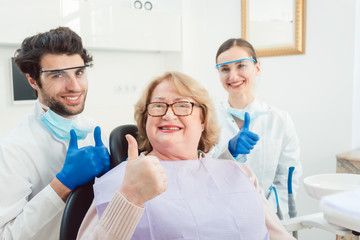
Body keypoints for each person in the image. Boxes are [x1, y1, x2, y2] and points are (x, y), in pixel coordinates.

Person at [77, 71, 295, 240]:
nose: (169, 114)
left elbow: (279, 235)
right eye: (158, 105)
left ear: (203, 120)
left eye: (183, 105)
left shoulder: (239, 173)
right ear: (145, 120)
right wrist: (129, 197)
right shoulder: (123, 181)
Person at [0, 27, 110, 239]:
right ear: (33, 80)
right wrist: (62, 185)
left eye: (79, 72)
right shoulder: (11, 149)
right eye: (58, 75)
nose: (75, 86)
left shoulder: (94, 130)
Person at [208, 38, 302, 217]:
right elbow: (201, 171)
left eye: (241, 66)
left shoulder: (279, 120)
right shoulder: (207, 118)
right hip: (218, 216)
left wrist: (266, 216)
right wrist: (228, 152)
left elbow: (287, 178)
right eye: (225, 69)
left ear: (257, 67)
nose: (233, 76)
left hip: (267, 218)